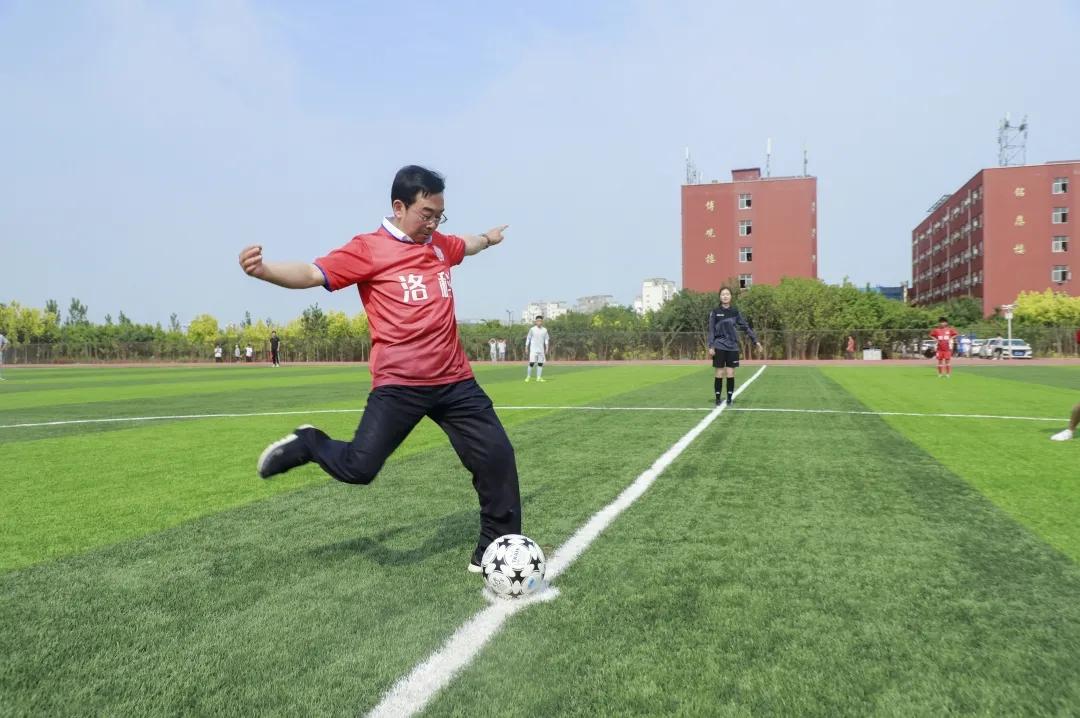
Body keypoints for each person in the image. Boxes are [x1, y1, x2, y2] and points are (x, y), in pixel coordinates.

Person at [237, 164, 520, 572]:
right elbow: (313, 273)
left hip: (455, 380)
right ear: (399, 206)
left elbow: (468, 243)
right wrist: (264, 271)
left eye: (439, 215)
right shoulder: (369, 249)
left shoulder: (440, 244)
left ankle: (494, 549)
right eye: (426, 214)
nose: (433, 223)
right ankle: (310, 443)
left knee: (497, 457)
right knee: (359, 468)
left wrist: (490, 240)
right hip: (400, 383)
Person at [707, 287, 762, 405]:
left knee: (731, 373)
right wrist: (711, 346)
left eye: (727, 294)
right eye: (723, 294)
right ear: (720, 297)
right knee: (719, 373)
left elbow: (745, 327)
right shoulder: (715, 312)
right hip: (719, 345)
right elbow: (711, 330)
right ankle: (717, 399)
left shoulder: (735, 312)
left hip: (732, 347)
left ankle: (729, 399)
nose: (725, 296)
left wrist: (755, 341)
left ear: (731, 296)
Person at [524, 316, 550, 382]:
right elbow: (528, 338)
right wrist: (526, 347)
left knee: (540, 363)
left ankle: (538, 377)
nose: (539, 322)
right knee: (531, 363)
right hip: (533, 349)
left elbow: (546, 339)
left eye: (540, 321)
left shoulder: (545, 330)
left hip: (541, 350)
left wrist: (547, 348)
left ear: (542, 322)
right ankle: (528, 376)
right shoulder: (532, 329)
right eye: (538, 321)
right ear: (535, 322)